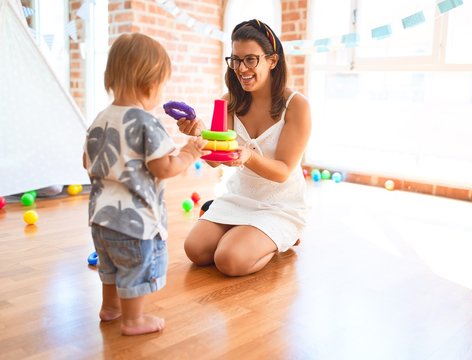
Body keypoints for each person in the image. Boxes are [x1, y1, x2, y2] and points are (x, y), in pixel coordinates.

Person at [83, 33, 207, 335]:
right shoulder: (146, 123)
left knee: (110, 266)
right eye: (162, 84)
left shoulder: (100, 118)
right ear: (150, 84)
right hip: (134, 221)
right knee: (135, 266)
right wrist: (189, 152)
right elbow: (164, 166)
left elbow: (87, 163)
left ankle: (110, 307)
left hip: (100, 216)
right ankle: (133, 319)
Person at [177, 19, 311, 277]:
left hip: (280, 204)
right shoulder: (230, 101)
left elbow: (283, 171)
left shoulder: (297, 106)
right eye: (236, 60)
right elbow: (217, 160)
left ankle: (283, 237)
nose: (241, 69)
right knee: (195, 249)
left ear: (272, 60)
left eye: (251, 59)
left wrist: (248, 156)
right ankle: (249, 234)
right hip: (240, 196)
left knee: (229, 259)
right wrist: (199, 134)